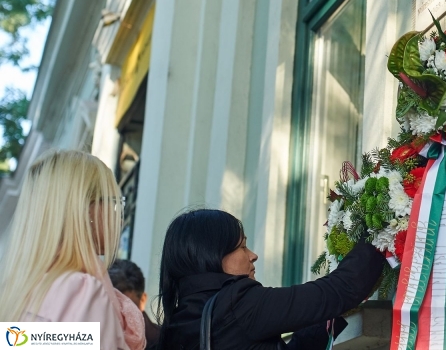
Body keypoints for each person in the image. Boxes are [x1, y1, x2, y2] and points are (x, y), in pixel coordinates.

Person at [157, 209, 385, 349]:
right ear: (213, 256)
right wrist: (382, 223)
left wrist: (327, 316)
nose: (253, 255)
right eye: (242, 247)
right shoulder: (237, 304)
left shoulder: (183, 319)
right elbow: (341, 289)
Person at [0, 149, 145, 350]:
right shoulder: (81, 293)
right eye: (115, 204)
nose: (120, 218)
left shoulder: (21, 290)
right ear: (85, 210)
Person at [109, 260, 161, 350]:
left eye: (130, 309)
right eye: (116, 308)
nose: (123, 317)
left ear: (143, 299)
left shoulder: (161, 340)